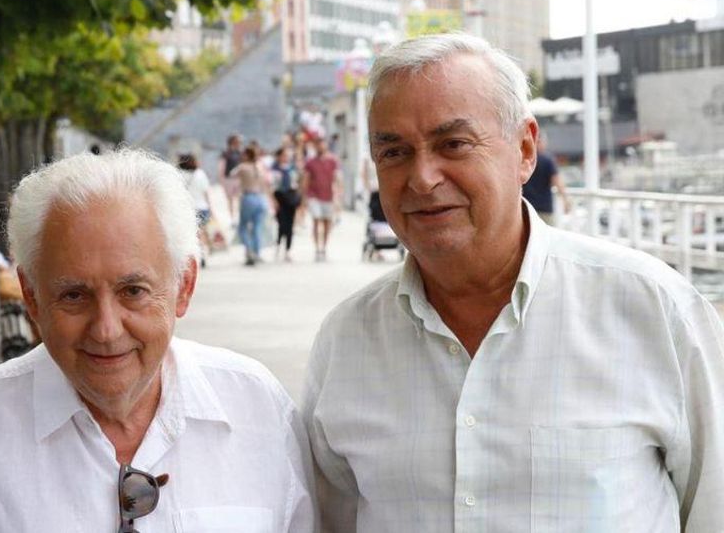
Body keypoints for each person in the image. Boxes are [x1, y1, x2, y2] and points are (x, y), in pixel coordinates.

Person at [302, 33, 724, 532]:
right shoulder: (346, 340)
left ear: (525, 149)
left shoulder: (653, 309)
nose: (422, 177)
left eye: (453, 144)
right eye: (393, 152)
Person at [0, 150, 314, 532]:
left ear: (184, 286)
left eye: (133, 290)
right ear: (31, 297)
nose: (107, 330)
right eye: (74, 295)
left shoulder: (257, 408)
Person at [300, 138, 341, 261]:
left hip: (328, 196)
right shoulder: (310, 162)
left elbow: (337, 178)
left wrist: (338, 195)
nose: (320, 147)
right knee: (316, 220)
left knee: (327, 223)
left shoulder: (333, 160)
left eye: (322, 145)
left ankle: (324, 248)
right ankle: (317, 248)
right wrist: (304, 197)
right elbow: (306, 179)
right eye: (318, 145)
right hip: (314, 196)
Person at [521, 131, 571, 226]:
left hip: (526, 209)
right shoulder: (548, 160)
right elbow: (557, 181)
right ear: (541, 142)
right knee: (547, 238)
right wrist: (565, 200)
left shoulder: (524, 160)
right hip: (545, 209)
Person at [231, 146, 271, 266]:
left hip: (248, 198)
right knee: (257, 227)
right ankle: (257, 252)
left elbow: (231, 174)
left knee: (242, 227)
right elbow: (266, 183)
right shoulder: (259, 166)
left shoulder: (242, 167)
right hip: (261, 198)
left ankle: (249, 251)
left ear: (247, 155)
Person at [176, 153, 212, 267]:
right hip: (202, 207)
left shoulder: (179, 175)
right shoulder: (200, 174)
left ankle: (195, 256)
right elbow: (206, 192)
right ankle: (202, 255)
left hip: (187, 208)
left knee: (191, 234)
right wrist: (211, 207)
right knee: (201, 232)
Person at [271, 146, 301, 262]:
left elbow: (297, 182)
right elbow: (272, 185)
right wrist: (273, 201)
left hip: (291, 197)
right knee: (281, 224)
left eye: (287, 156)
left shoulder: (292, 168)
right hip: (279, 197)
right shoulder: (274, 168)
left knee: (290, 225)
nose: (285, 158)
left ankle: (288, 249)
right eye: (283, 155)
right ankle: (278, 245)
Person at [217, 134, 244, 223]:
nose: (239, 143)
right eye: (238, 142)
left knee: (240, 198)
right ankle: (232, 218)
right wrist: (221, 180)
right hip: (228, 179)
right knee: (230, 199)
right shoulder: (226, 154)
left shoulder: (241, 153)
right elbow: (222, 167)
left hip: (238, 179)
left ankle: (239, 217)